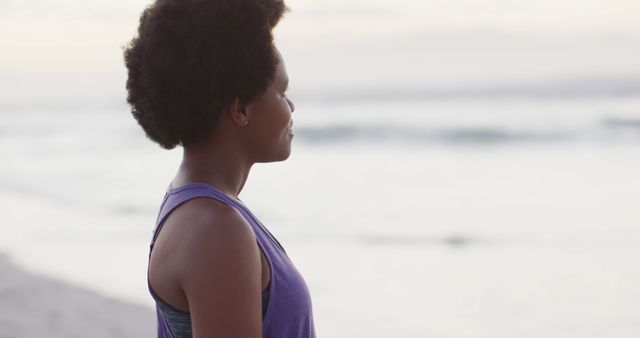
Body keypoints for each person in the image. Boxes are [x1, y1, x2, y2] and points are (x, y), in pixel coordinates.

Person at [123, 0, 316, 337]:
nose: (291, 106)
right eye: (281, 91)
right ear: (240, 108)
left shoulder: (199, 209)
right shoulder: (216, 230)